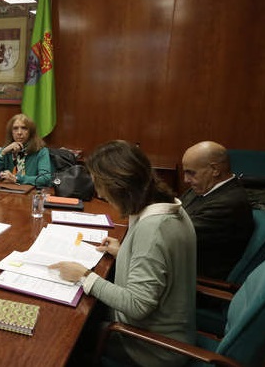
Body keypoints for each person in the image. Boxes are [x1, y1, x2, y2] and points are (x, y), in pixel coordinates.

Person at [50, 140, 196, 367]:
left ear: (120, 186)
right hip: (169, 330)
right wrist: (125, 251)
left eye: (99, 185)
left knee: (64, 336)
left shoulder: (153, 229)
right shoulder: (172, 207)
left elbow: (138, 305)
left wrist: (84, 276)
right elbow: (159, 265)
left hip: (150, 347)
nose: (98, 192)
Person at [181, 141, 254, 280]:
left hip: (195, 282)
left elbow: (176, 234)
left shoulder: (230, 204)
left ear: (215, 169)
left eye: (190, 173)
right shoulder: (203, 188)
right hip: (181, 266)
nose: (185, 180)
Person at [0, 113, 53, 186]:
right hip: (9, 191)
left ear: (31, 132)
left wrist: (17, 178)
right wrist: (2, 153)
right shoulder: (7, 150)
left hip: (32, 192)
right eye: (15, 128)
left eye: (24, 128)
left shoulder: (41, 151)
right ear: (11, 132)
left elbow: (45, 178)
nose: (19, 132)